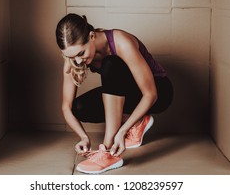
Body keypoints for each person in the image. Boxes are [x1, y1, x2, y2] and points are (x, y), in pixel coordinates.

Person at [55, 13, 173, 174]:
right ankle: (138, 123)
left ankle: (108, 151)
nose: (77, 61)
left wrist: (123, 131)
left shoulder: (120, 42)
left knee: (110, 64)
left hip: (159, 92)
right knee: (80, 107)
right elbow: (66, 107)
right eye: (71, 57)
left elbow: (151, 94)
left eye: (81, 54)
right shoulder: (74, 58)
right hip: (128, 94)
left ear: (91, 36)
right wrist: (83, 137)